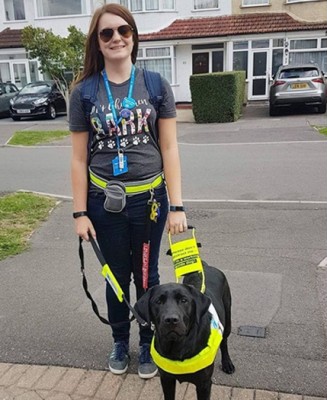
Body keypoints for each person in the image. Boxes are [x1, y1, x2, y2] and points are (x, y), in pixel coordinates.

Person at [69, 4, 187, 379]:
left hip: (150, 202)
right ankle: (121, 340)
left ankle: (147, 340)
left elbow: (169, 149)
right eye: (107, 33)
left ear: (134, 37)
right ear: (98, 42)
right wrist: (79, 212)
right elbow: (77, 159)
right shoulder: (84, 92)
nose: (117, 38)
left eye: (124, 30)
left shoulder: (155, 85)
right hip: (105, 204)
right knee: (116, 277)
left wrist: (178, 206)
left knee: (147, 276)